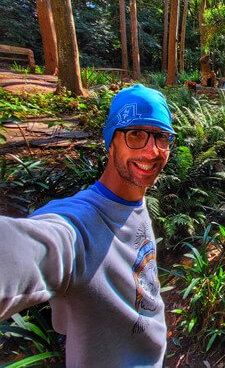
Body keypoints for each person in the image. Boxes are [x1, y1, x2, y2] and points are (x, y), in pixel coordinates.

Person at [0, 84, 175, 367]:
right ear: (111, 141)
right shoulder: (78, 224)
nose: (152, 150)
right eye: (136, 135)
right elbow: (33, 249)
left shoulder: (133, 203)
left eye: (161, 137)